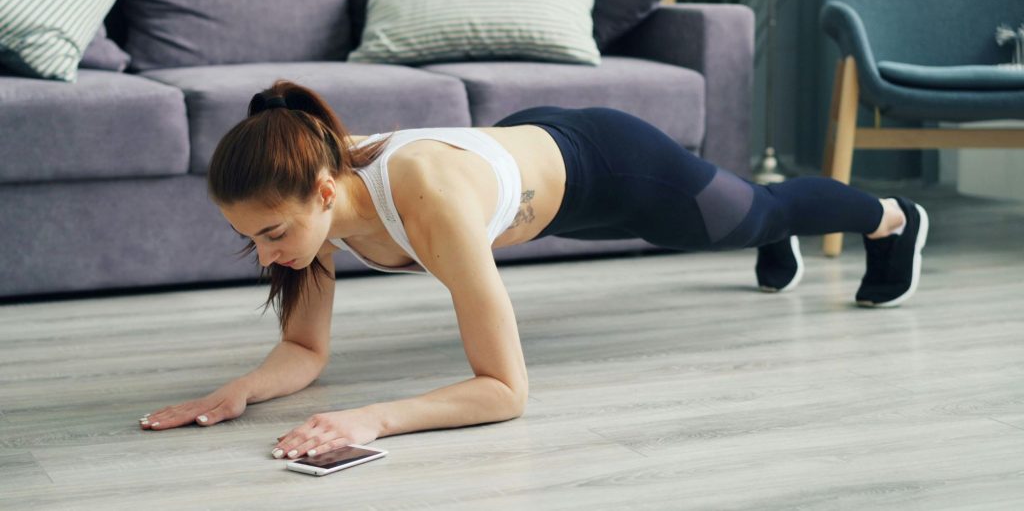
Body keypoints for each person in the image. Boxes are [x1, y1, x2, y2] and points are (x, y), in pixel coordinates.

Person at [138, 80, 928, 461]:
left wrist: (371, 419)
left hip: (610, 166)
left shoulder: (425, 197)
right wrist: (237, 388)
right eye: (250, 239)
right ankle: (761, 237)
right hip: (527, 167)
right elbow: (306, 354)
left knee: (761, 210)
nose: (267, 254)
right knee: (736, 221)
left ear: (323, 191)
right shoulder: (308, 205)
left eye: (273, 233)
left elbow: (506, 390)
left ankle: (892, 219)